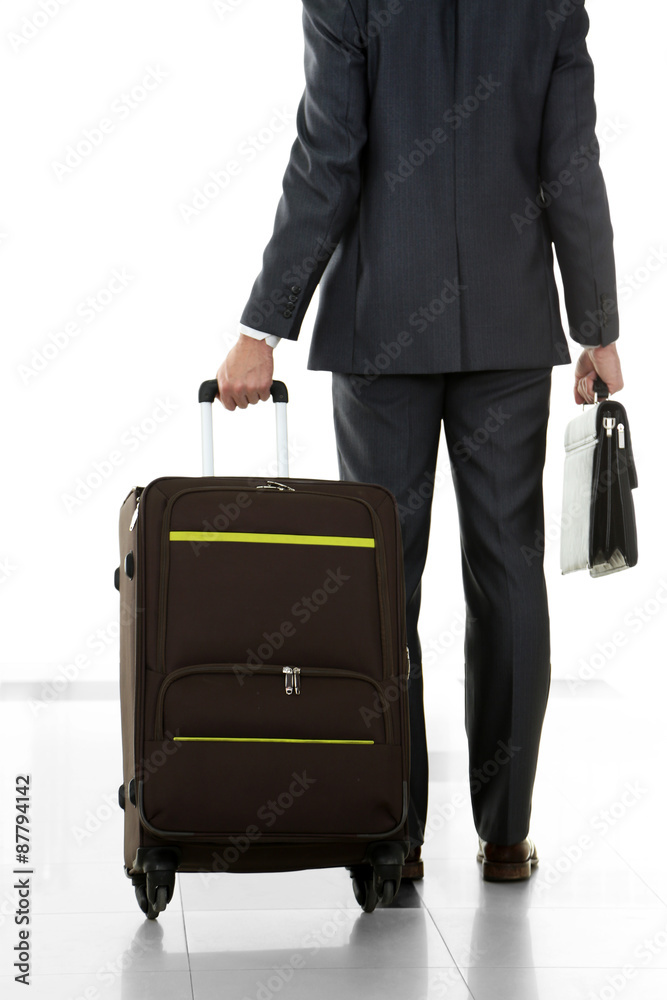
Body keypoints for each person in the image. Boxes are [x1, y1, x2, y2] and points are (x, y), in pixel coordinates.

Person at [215, 0, 624, 882]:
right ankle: (505, 834)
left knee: (378, 583)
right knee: (508, 576)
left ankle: (391, 835)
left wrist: (263, 326)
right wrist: (594, 326)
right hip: (509, 330)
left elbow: (329, 156)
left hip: (381, 327)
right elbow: (571, 164)